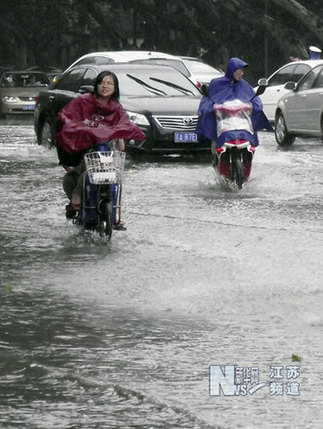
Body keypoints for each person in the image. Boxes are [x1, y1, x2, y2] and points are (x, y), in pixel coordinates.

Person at [55, 70, 146, 227]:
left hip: (106, 150)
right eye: (102, 82)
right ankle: (77, 194)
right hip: (85, 147)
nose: (105, 86)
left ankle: (115, 213)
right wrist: (78, 128)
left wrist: (120, 136)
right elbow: (68, 116)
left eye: (109, 83)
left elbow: (122, 125)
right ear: (96, 85)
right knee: (80, 173)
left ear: (115, 88)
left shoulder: (116, 107)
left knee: (113, 179)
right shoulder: (84, 101)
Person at [197, 57, 272, 150]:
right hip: (222, 120)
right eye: (238, 71)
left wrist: (255, 106)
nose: (241, 73)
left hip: (241, 121)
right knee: (214, 137)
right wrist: (209, 108)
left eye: (242, 71)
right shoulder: (217, 83)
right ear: (232, 70)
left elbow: (253, 97)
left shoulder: (245, 85)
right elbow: (208, 98)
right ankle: (216, 155)